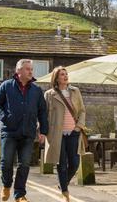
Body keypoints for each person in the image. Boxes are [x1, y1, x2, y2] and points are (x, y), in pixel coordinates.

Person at [0, 59, 48, 202]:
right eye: (28, 69)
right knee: (6, 162)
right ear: (19, 71)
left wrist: (43, 131)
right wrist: (5, 118)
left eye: (31, 69)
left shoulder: (36, 90)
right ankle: (6, 185)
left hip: (28, 133)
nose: (31, 71)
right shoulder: (6, 86)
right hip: (10, 132)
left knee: (24, 164)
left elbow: (42, 111)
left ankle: (19, 194)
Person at [44, 66, 86, 202]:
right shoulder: (49, 94)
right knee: (61, 164)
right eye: (62, 74)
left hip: (74, 132)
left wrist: (78, 127)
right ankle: (64, 192)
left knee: (74, 163)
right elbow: (44, 115)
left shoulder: (75, 91)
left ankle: (62, 183)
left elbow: (82, 111)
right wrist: (43, 131)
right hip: (57, 134)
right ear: (56, 78)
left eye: (66, 74)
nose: (65, 76)